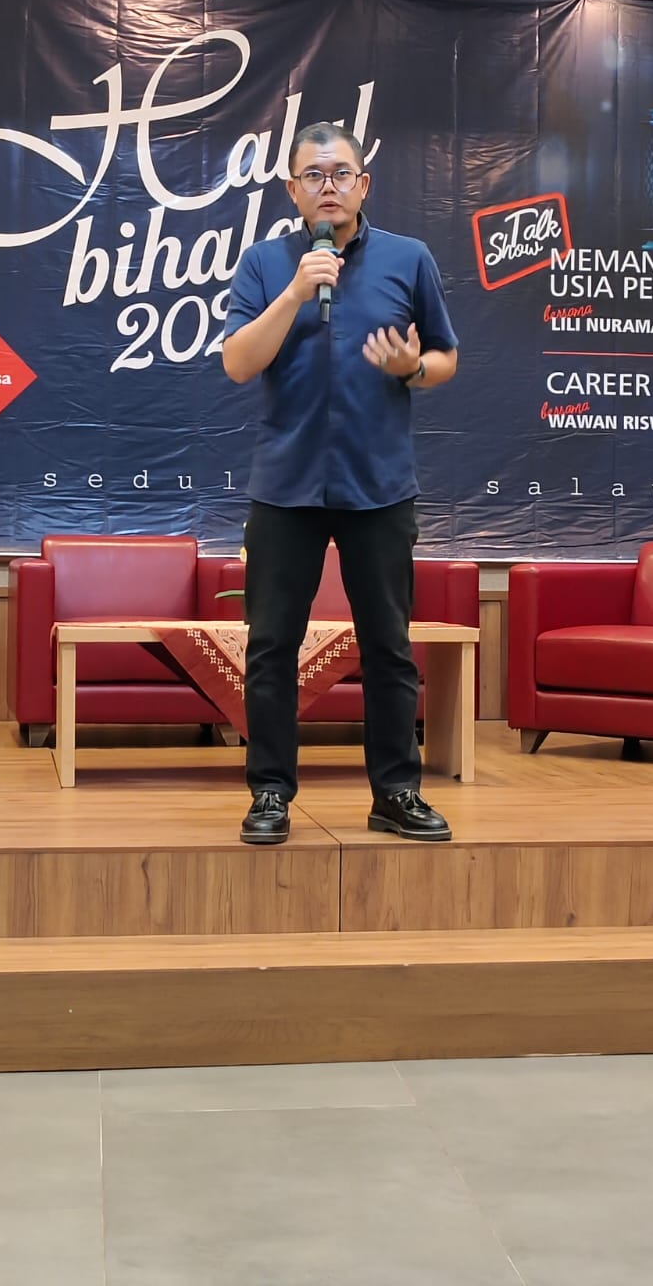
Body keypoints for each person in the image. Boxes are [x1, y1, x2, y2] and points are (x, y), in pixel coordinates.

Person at [222, 121, 459, 844]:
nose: (328, 186)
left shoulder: (408, 259)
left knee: (388, 646)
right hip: (285, 486)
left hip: (378, 485)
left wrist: (412, 369)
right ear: (292, 190)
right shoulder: (266, 264)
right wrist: (296, 293)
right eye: (313, 175)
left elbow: (446, 358)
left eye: (340, 173)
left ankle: (395, 792)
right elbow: (238, 363)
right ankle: (270, 793)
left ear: (363, 184)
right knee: (271, 648)